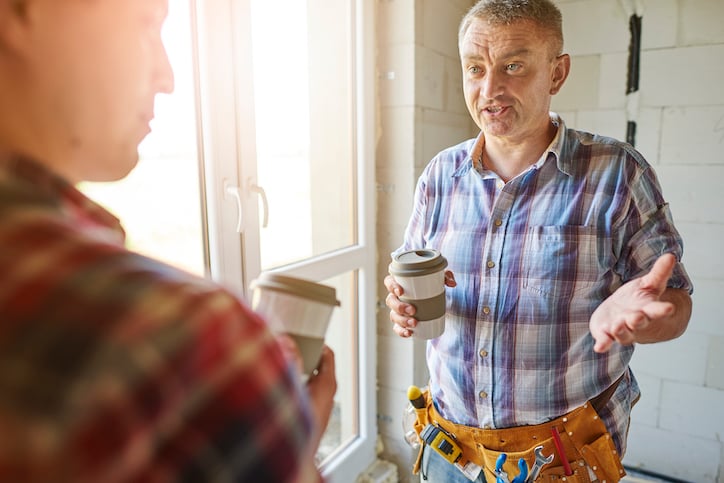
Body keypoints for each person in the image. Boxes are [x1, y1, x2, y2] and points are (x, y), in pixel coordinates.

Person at [0, 0, 336, 482]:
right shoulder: (195, 350)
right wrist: (287, 437)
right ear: (20, 11)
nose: (169, 76)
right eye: (147, 23)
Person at [384, 1, 693, 482]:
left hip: (563, 460)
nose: (490, 90)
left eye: (513, 66)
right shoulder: (439, 176)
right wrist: (402, 302)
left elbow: (675, 304)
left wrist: (646, 322)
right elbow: (412, 275)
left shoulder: (617, 173)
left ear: (557, 72)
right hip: (450, 453)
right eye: (475, 68)